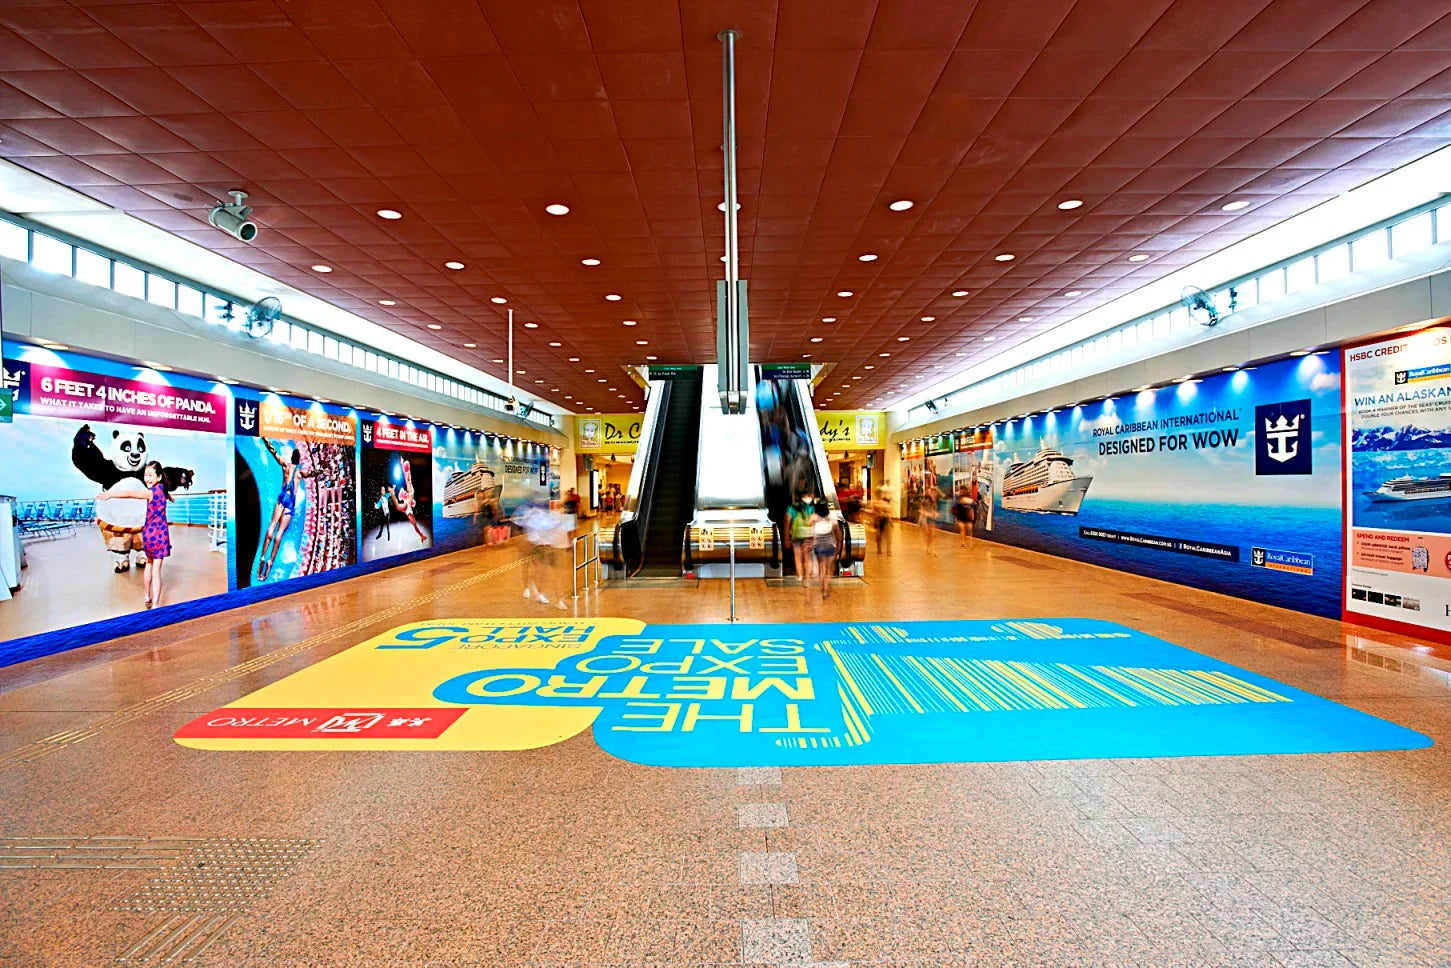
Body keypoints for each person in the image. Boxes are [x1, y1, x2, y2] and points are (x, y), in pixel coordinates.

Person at [257, 438, 318, 581]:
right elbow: (312, 473)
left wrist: (265, 440)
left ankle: (262, 556)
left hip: (283, 496)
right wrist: (321, 471)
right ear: (299, 459)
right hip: (290, 502)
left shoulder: (285, 465)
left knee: (272, 526)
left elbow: (273, 451)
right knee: (280, 533)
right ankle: (271, 561)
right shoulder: (300, 473)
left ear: (291, 458)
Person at [139, 460, 172, 608]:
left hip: (147, 534)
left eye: (150, 475)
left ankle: (147, 596)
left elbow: (129, 494)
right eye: (146, 475)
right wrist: (170, 498)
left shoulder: (150, 493)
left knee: (149, 563)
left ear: (158, 476)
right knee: (157, 571)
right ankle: (156, 605)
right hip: (159, 536)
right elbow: (129, 493)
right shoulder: (161, 489)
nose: (147, 478)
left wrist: (111, 495)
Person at [810, 498, 839, 599]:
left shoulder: (814, 517)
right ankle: (826, 590)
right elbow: (837, 532)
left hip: (818, 546)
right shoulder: (831, 516)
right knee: (828, 570)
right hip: (830, 545)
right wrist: (839, 545)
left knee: (821, 567)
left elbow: (809, 530)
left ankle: (823, 586)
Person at [786, 491, 815, 585]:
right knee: (807, 557)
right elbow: (812, 523)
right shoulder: (810, 508)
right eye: (809, 495)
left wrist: (786, 537)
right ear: (804, 497)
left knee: (797, 556)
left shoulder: (791, 508)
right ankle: (807, 578)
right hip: (807, 535)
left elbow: (787, 523)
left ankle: (799, 576)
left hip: (796, 535)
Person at [919, 476, 940, 556]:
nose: (930, 493)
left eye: (931, 492)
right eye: (928, 491)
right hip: (925, 518)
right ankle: (928, 547)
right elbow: (921, 509)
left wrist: (935, 513)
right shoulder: (924, 500)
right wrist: (925, 513)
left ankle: (934, 550)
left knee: (933, 535)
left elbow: (935, 509)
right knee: (928, 535)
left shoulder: (933, 501)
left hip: (931, 518)